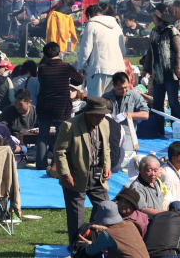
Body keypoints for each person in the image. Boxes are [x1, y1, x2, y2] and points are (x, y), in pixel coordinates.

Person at [54, 97, 111, 249]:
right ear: (88, 113)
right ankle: (77, 248)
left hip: (98, 176)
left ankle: (94, 241)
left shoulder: (105, 123)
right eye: (98, 115)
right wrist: (66, 174)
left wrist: (107, 165)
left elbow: (106, 148)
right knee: (76, 217)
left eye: (103, 115)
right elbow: (60, 152)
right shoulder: (69, 126)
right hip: (75, 177)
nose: (101, 118)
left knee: (105, 209)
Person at [36, 42, 85, 169]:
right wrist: (70, 81)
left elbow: (41, 80)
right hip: (62, 105)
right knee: (60, 137)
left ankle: (40, 164)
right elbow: (79, 79)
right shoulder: (66, 67)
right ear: (59, 53)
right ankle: (56, 165)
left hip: (44, 105)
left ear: (45, 55)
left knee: (42, 136)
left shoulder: (41, 68)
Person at [142, 4, 180, 136]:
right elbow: (150, 52)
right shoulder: (154, 32)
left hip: (170, 74)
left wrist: (178, 67)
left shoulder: (172, 31)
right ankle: (158, 130)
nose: (153, 18)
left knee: (173, 103)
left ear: (161, 16)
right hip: (157, 74)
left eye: (155, 15)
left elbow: (179, 51)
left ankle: (178, 131)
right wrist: (145, 69)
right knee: (157, 105)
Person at [78, 5, 126, 97]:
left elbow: (85, 49)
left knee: (96, 102)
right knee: (112, 102)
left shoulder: (91, 25)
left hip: (99, 70)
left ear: (89, 15)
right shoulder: (116, 26)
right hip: (117, 69)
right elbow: (123, 50)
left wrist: (80, 67)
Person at [78, 200, 149, 258]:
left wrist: (86, 245)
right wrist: (104, 228)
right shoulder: (130, 224)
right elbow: (118, 234)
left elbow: (91, 250)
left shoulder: (107, 235)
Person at [102, 72, 149, 152]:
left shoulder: (135, 96)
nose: (124, 91)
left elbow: (145, 115)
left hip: (128, 133)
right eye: (120, 88)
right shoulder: (106, 97)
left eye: (126, 87)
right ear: (114, 85)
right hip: (109, 132)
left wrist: (127, 114)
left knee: (126, 154)